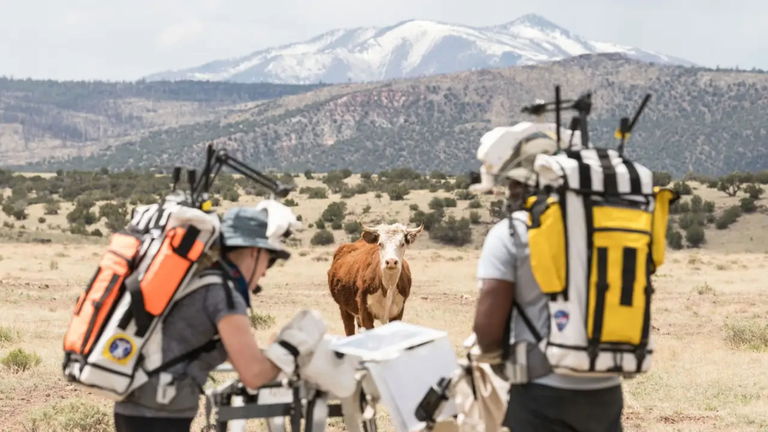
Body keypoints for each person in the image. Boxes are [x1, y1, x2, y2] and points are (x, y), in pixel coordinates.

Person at [114, 201, 318, 432]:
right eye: (269, 261)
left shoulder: (201, 280)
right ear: (255, 251)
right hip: (160, 415)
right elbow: (253, 374)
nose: (264, 271)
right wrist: (293, 347)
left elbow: (238, 356)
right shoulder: (223, 294)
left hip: (139, 407)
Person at [471, 131, 624, 431]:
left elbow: (486, 334)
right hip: (606, 389)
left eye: (513, 183)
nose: (509, 191)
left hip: (541, 392)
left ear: (526, 184)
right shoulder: (606, 229)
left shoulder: (511, 233)